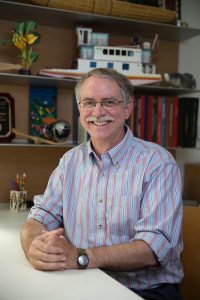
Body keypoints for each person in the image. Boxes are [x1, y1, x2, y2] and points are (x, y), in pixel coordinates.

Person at [21, 68, 184, 300]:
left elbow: (152, 249)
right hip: (81, 284)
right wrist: (33, 247)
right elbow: (39, 218)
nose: (98, 111)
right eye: (88, 102)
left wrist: (80, 257)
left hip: (144, 291)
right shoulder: (70, 162)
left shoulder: (158, 163)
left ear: (127, 108)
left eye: (109, 102)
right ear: (79, 109)